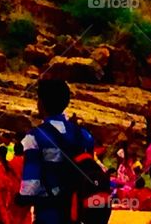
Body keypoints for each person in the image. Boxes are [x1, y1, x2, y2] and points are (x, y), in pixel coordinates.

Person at [18, 80, 105, 224]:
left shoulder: (34, 137)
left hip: (48, 214)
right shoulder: (84, 135)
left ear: (41, 103)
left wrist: (21, 198)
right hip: (76, 212)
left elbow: (30, 185)